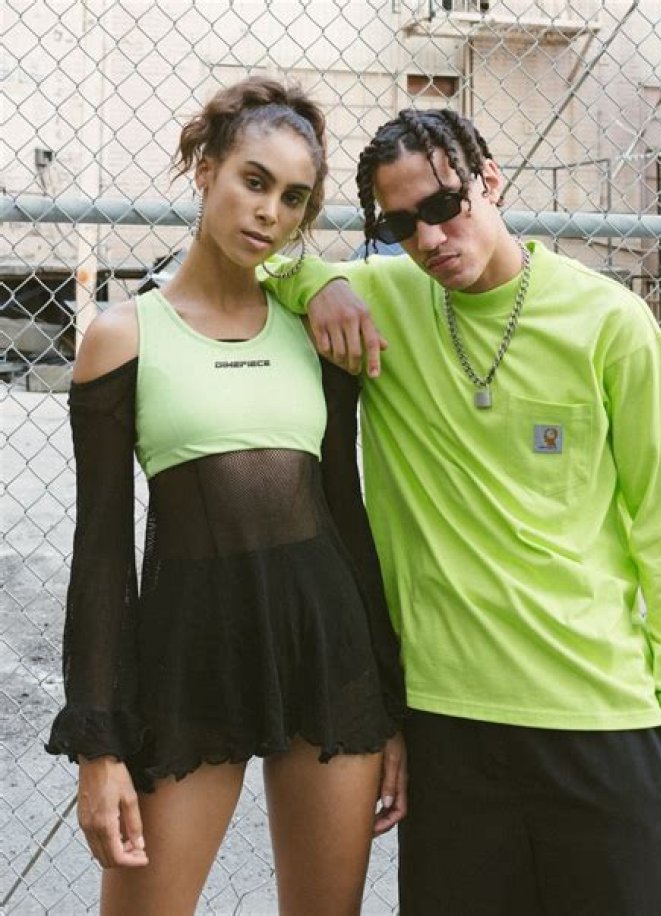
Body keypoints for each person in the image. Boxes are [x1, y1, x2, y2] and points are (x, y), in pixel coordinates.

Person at [263, 108, 661, 915]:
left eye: (445, 206)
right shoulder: (381, 301)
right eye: (400, 225)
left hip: (604, 719)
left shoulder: (608, 321)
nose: (431, 238)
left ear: (490, 180)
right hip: (449, 729)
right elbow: (253, 260)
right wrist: (323, 283)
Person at [46, 77, 407, 916]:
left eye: (294, 197)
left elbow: (345, 514)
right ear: (205, 169)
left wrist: (389, 708)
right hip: (190, 660)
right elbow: (100, 554)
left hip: (326, 651)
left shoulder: (317, 330)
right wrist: (99, 748)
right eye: (254, 180)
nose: (270, 212)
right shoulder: (123, 334)